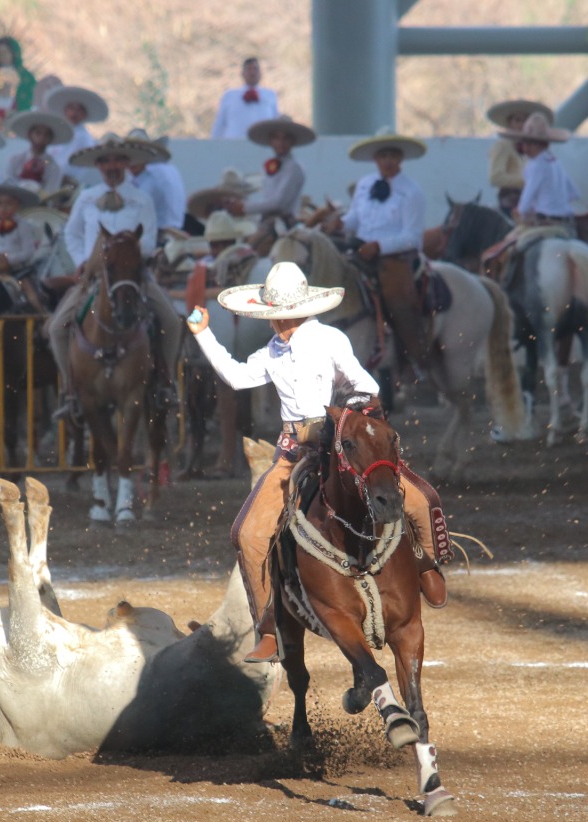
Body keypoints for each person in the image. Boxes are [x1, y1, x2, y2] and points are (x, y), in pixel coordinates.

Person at [187, 262, 449, 663]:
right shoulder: (272, 351)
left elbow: (366, 385)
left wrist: (351, 416)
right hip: (293, 451)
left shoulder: (329, 339)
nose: (276, 323)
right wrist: (203, 334)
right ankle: (271, 626)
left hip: (337, 442)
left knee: (418, 498)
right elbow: (238, 377)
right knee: (249, 534)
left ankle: (427, 563)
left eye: (278, 314)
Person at [50, 134, 181, 416]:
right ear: (98, 166)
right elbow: (71, 234)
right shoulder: (86, 198)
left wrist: (125, 252)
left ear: (126, 162)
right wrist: (83, 260)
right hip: (94, 278)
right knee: (56, 327)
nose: (111, 165)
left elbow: (149, 240)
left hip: (133, 276)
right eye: (105, 161)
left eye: (117, 159)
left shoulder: (141, 198)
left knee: (171, 320)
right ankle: (70, 391)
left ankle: (166, 383)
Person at [331, 130, 430, 377]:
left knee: (397, 301)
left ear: (401, 158)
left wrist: (379, 246)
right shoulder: (364, 184)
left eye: (393, 155)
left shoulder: (412, 191)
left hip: (395, 258)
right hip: (360, 250)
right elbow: (355, 218)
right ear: (375, 158)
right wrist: (341, 224)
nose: (387, 160)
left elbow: (413, 237)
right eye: (382, 155)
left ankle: (414, 358)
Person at [234, 116, 314, 225]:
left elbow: (279, 203)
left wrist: (245, 207)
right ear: (271, 141)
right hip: (267, 220)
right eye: (276, 138)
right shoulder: (270, 165)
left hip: (285, 223)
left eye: (286, 138)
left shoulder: (294, 167)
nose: (280, 143)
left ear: (292, 141)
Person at [484, 99, 552, 217]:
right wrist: (528, 181)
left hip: (531, 199)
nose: (522, 124)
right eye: (517, 120)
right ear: (509, 123)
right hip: (510, 201)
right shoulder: (502, 146)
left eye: (526, 120)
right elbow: (495, 177)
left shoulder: (530, 148)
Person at [511, 113, 579, 229]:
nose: (525, 149)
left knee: (513, 243)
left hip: (546, 221)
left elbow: (525, 202)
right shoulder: (555, 161)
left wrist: (522, 211)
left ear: (540, 144)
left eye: (529, 143)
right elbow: (574, 193)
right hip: (568, 222)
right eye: (524, 143)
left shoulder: (536, 165)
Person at [42, 85, 106, 188]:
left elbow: (69, 166)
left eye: (79, 110)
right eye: (71, 108)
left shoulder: (83, 137)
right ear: (65, 110)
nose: (74, 113)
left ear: (85, 114)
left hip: (65, 185)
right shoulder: (56, 131)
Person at [126, 129, 186, 232]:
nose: (133, 161)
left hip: (159, 234)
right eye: (130, 156)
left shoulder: (151, 178)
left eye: (138, 156)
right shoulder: (166, 169)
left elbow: (134, 215)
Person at [211, 57, 279, 139]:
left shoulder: (270, 95)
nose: (252, 73)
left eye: (255, 69)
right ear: (242, 73)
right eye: (248, 69)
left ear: (260, 73)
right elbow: (220, 124)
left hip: (262, 145)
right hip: (234, 146)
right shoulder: (229, 96)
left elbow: (276, 123)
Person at [5, 109, 70, 192]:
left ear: (51, 139)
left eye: (46, 135)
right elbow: (8, 182)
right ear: (30, 135)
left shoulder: (54, 167)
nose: (42, 138)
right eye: (38, 133)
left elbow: (50, 192)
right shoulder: (15, 160)